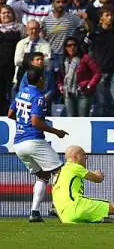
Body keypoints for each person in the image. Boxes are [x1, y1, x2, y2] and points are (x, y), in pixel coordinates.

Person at [7, 67, 69, 222]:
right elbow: (35, 122)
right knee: (60, 172)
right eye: (44, 78)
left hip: (19, 144)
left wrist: (23, 123)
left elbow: (10, 114)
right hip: (33, 140)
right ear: (40, 79)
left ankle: (34, 212)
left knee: (42, 175)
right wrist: (57, 132)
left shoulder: (21, 92)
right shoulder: (38, 96)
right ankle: (56, 207)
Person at [57, 37, 101, 117]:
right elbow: (59, 76)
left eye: (74, 45)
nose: (72, 47)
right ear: (65, 48)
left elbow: (97, 73)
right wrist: (60, 86)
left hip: (83, 93)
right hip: (68, 93)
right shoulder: (63, 60)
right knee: (71, 118)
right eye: (69, 45)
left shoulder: (85, 58)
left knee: (83, 118)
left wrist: (89, 85)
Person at [0, 5, 23, 115]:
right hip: (0, 68)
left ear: (13, 15)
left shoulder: (20, 28)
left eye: (8, 12)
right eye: (3, 13)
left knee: (13, 94)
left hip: (14, 68)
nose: (6, 15)